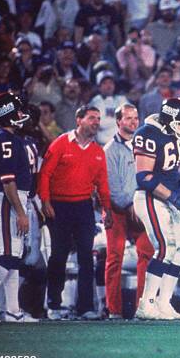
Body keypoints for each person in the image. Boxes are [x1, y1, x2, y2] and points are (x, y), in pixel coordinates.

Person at [39, 105, 112, 320]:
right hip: (59, 207)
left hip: (83, 208)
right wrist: (45, 201)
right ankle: (53, 305)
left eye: (98, 118)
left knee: (86, 258)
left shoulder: (98, 151)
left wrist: (106, 209)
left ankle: (85, 308)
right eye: (92, 118)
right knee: (59, 256)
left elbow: (103, 184)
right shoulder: (61, 143)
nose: (96, 122)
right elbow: (45, 174)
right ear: (78, 120)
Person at [132, 97, 180, 321]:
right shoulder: (147, 133)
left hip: (166, 198)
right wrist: (173, 197)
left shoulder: (169, 135)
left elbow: (166, 168)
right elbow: (144, 176)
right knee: (166, 248)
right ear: (169, 119)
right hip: (150, 197)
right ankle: (146, 304)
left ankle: (164, 303)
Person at [0, 93, 36, 323]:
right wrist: (21, 212)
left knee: (13, 255)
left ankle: (13, 311)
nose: (21, 115)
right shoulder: (8, 140)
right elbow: (8, 181)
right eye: (17, 111)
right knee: (10, 256)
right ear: (8, 114)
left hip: (3, 198)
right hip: (7, 200)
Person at [103, 103, 154, 319]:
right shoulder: (109, 150)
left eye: (136, 118)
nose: (134, 122)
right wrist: (131, 203)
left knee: (147, 254)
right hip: (118, 210)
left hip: (140, 207)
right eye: (128, 118)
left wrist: (140, 202)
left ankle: (142, 307)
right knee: (115, 257)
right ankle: (114, 310)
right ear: (118, 121)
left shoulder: (144, 145)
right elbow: (112, 187)